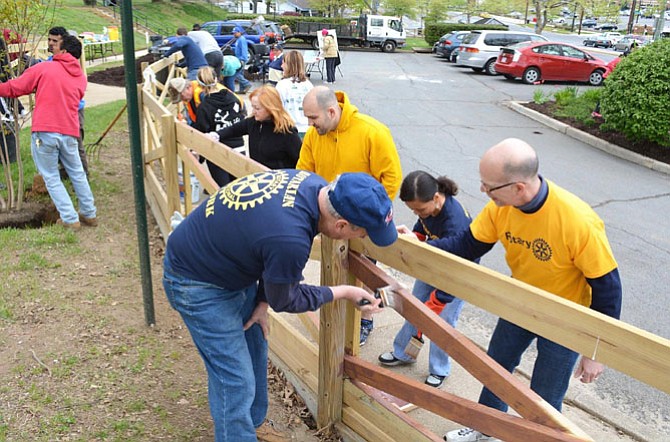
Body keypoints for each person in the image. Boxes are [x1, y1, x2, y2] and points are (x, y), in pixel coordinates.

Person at [163, 170, 397, 441]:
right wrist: (344, 291)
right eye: (365, 233)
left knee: (256, 349)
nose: (364, 238)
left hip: (226, 264)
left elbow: (265, 246)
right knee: (235, 380)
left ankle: (252, 424)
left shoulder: (313, 185)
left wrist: (261, 301)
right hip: (196, 283)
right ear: (342, 226)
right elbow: (285, 298)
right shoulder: (291, 236)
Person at [439, 138, 622, 442]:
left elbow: (608, 290)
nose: (483, 191)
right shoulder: (501, 207)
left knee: (546, 393)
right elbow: (467, 244)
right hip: (519, 303)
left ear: (519, 188)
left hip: (565, 318)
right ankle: (488, 431)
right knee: (495, 370)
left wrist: (596, 351)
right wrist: (418, 245)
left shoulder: (577, 221)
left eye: (489, 186)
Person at [298, 86, 402, 345]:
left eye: (313, 118)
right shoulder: (315, 135)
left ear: (331, 111)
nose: (309, 124)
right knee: (333, 267)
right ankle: (334, 318)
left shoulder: (372, 132)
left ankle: (365, 319)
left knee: (364, 271)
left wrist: (371, 215)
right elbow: (303, 171)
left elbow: (391, 178)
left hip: (361, 221)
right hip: (328, 218)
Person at [378, 170, 476, 388]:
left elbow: (457, 268)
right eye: (413, 210)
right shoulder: (427, 211)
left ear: (436, 198)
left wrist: (440, 298)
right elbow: (423, 226)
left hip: (457, 276)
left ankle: (439, 369)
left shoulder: (455, 222)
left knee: (443, 322)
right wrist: (415, 238)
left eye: (420, 209)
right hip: (432, 264)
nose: (417, 213)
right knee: (415, 308)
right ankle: (404, 352)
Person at [0, 35, 96, 230]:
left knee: (51, 176)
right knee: (77, 173)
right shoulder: (80, 77)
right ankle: (89, 214)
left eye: (56, 44)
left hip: (46, 131)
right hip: (70, 131)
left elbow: (17, 87)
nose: (52, 46)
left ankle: (70, 218)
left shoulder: (46, 67)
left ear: (65, 51)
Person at [212, 85, 301, 170]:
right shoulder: (253, 122)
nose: (253, 111)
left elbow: (300, 160)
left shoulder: (287, 131)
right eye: (253, 107)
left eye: (257, 108)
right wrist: (216, 135)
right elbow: (234, 129)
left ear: (270, 109)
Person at [190, 67, 247, 187]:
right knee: (240, 188)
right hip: (238, 147)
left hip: (217, 151)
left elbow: (201, 131)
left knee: (223, 190)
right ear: (216, 79)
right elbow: (241, 117)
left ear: (199, 85)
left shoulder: (204, 107)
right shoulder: (233, 98)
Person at [47, 26, 89, 177]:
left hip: (74, 110)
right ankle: (66, 171)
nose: (51, 43)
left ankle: (83, 175)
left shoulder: (68, 59)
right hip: (58, 110)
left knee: (76, 143)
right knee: (61, 142)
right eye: (49, 40)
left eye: (55, 41)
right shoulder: (51, 59)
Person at [275, 50, 313, 139]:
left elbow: (278, 109)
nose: (281, 66)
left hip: (289, 130)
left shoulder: (281, 85)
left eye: (283, 63)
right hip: (307, 130)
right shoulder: (309, 85)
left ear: (289, 65)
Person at [231, 26, 252, 94]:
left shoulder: (242, 39)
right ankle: (242, 89)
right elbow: (238, 49)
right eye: (233, 33)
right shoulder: (238, 39)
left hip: (241, 59)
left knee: (236, 74)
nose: (234, 34)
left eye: (235, 33)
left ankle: (247, 84)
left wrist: (242, 59)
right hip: (238, 58)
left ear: (239, 32)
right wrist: (232, 48)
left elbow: (244, 50)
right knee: (241, 74)